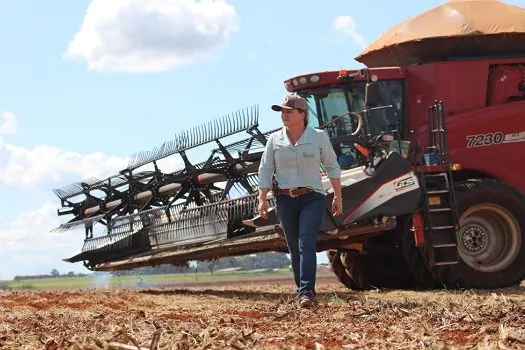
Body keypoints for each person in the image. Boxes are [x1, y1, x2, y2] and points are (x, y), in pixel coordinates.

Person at [257, 94, 343, 308]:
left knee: (306, 244)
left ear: (302, 114)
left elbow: (332, 166)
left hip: (312, 198)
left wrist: (338, 196)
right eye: (282, 112)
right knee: (294, 248)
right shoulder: (274, 140)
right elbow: (266, 169)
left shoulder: (319, 137)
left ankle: (306, 292)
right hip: (285, 200)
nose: (284, 115)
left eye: (288, 111)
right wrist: (262, 199)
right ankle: (302, 291)